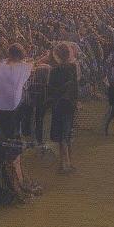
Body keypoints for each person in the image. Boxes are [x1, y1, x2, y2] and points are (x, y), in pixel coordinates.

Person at [47, 43, 79, 174]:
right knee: (67, 134)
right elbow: (75, 88)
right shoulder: (73, 67)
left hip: (59, 105)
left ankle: (63, 164)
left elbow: (50, 90)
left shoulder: (54, 71)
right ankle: (68, 163)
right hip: (70, 104)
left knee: (62, 137)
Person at [0, 44, 31, 138]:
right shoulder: (23, 67)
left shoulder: (0, 66)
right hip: (14, 104)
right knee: (13, 132)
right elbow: (29, 67)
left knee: (3, 131)